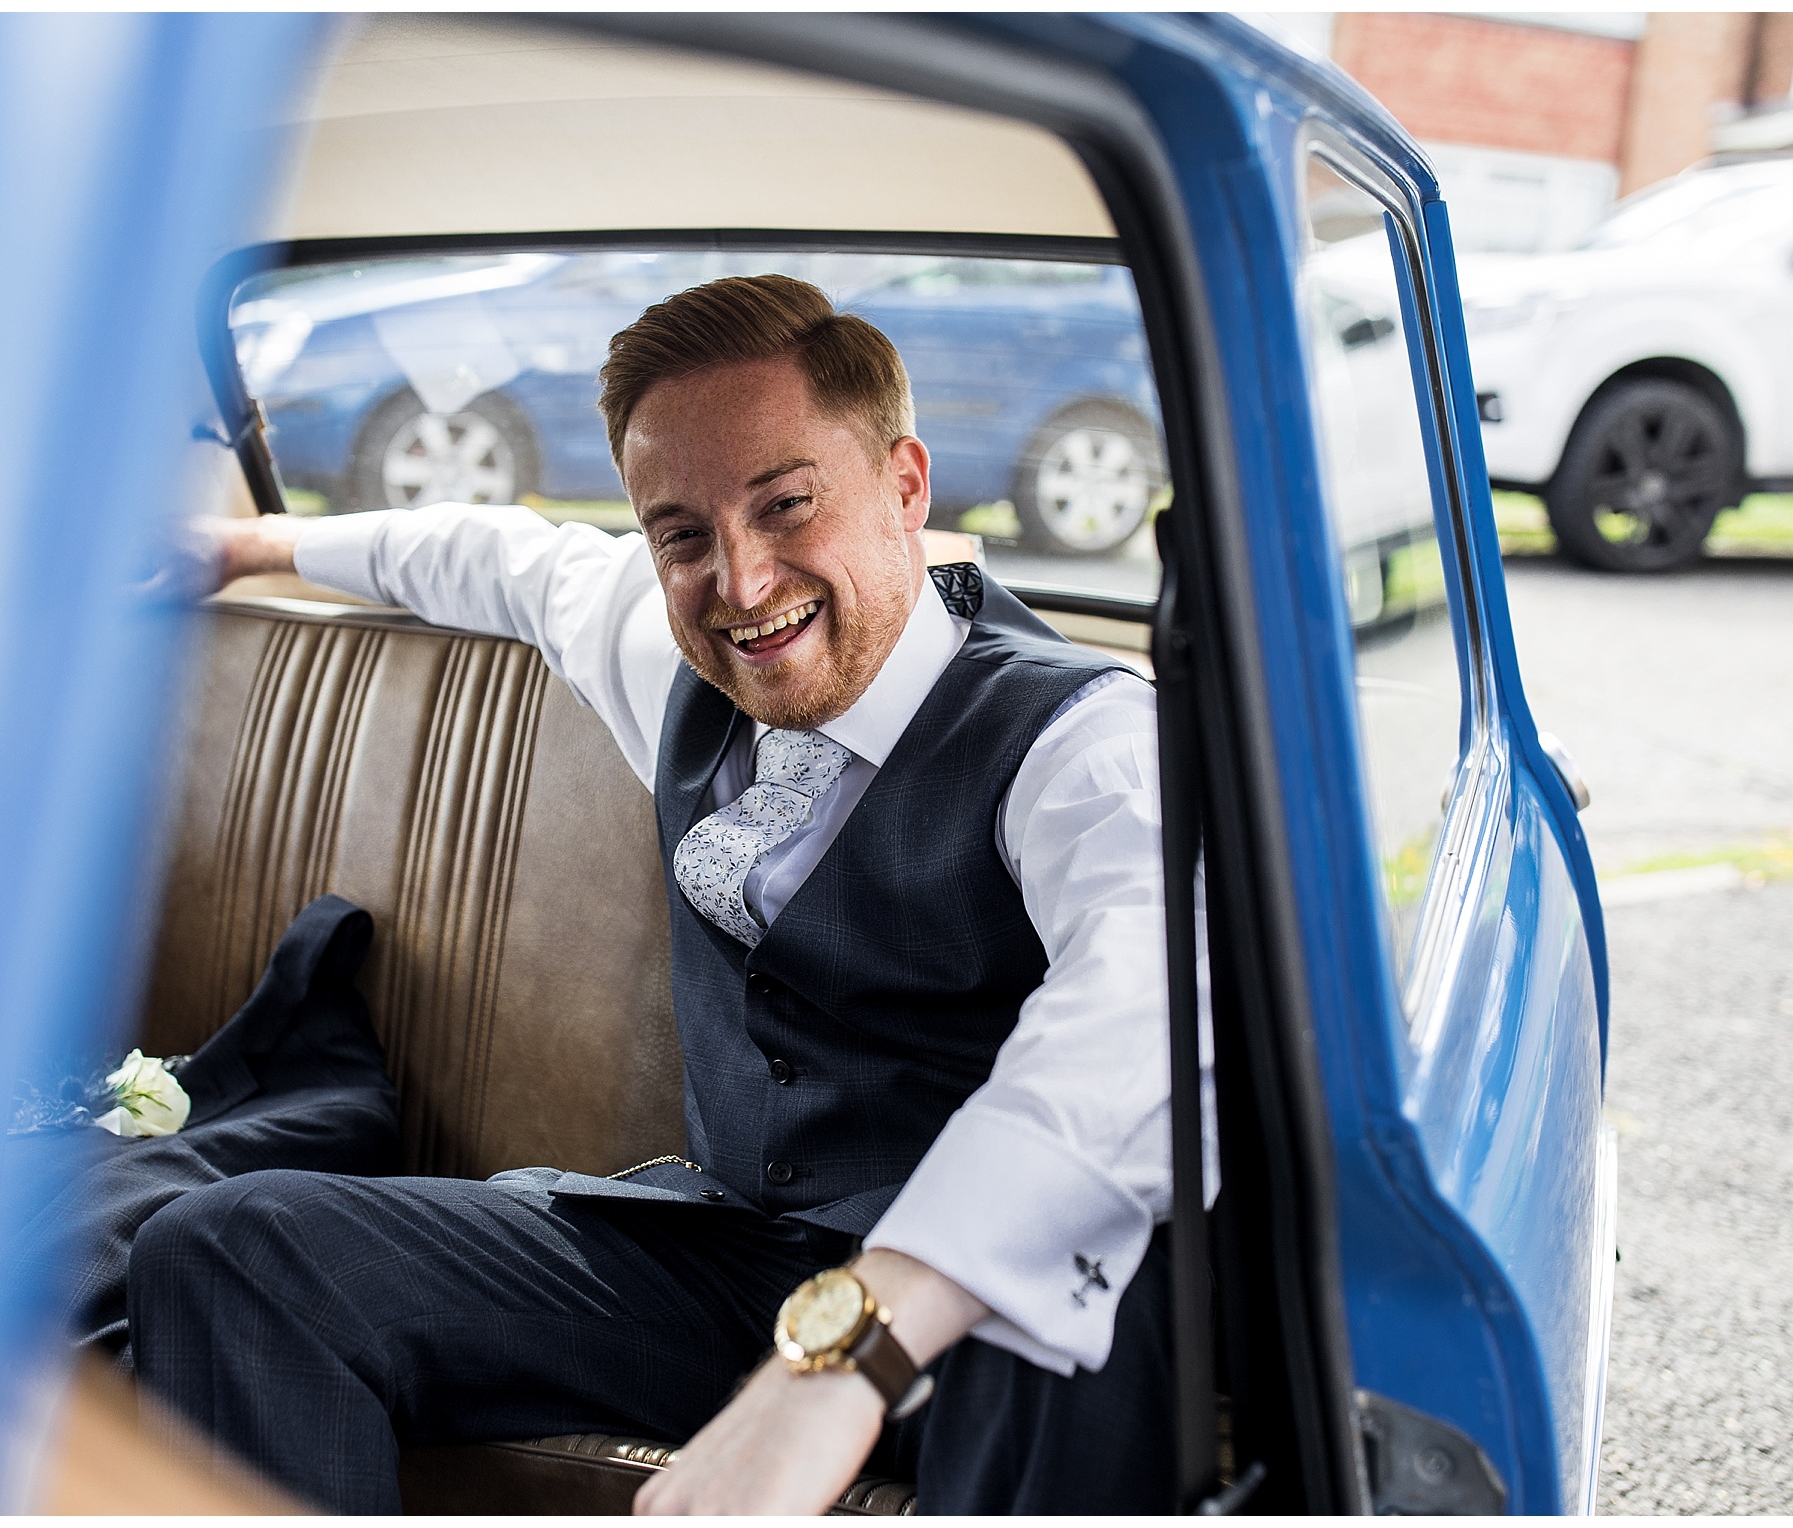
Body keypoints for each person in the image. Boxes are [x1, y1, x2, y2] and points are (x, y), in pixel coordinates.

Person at [128, 273, 1212, 1514]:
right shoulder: (681, 663)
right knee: (227, 1249)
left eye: (787, 504)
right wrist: (250, 545)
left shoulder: (1080, 737)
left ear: (906, 486)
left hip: (977, 1307)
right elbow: (507, 561)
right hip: (725, 1261)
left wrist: (850, 1352)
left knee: (1088, 1307)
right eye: (682, 533)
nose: (741, 584)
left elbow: (1145, 1028)